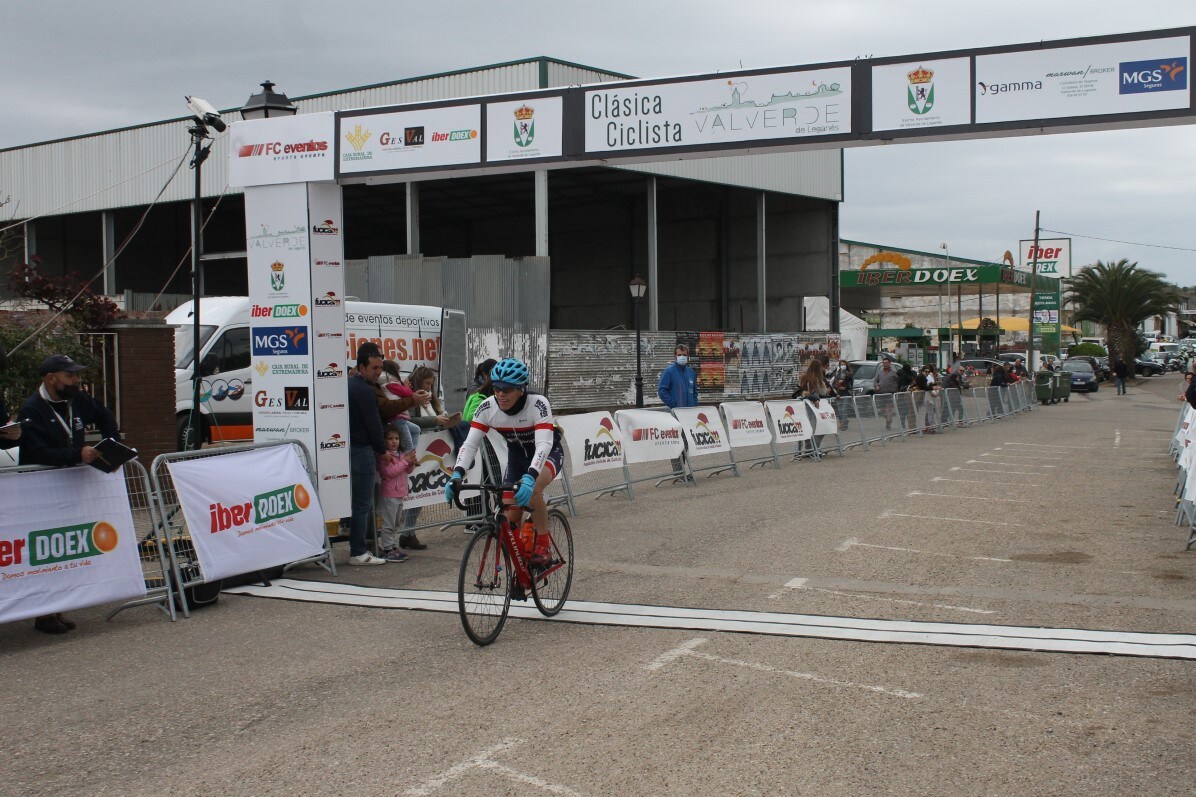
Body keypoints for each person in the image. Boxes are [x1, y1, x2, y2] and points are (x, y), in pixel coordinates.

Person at [446, 358, 565, 600]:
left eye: (507, 389)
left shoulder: (537, 404)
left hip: (547, 454)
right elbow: (470, 444)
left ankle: (542, 543)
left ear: (521, 389)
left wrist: (531, 477)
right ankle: (522, 569)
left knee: (531, 491)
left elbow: (543, 444)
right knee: (509, 520)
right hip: (517, 458)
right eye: (497, 387)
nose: (501, 393)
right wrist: (457, 473)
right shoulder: (486, 407)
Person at [18, 354, 119, 634]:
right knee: (46, 550)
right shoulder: (32, 409)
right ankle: (45, 612)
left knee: (67, 547)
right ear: (51, 378)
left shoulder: (78, 400)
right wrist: (76, 454)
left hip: (72, 486)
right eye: (70, 375)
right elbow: (36, 452)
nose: (76, 380)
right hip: (42, 489)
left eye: (77, 375)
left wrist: (111, 444)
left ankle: (60, 605)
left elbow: (104, 414)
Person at [346, 346, 390, 566]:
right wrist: (382, 451)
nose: (378, 372)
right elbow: (373, 424)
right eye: (374, 367)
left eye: (381, 367)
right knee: (362, 503)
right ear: (361, 366)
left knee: (358, 503)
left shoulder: (350, 385)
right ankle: (358, 550)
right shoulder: (364, 390)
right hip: (362, 450)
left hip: (350, 449)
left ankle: (360, 547)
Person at [376, 425, 417, 563]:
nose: (394, 441)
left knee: (396, 523)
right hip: (389, 494)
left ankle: (393, 546)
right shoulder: (385, 457)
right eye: (390, 439)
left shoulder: (400, 455)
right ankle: (387, 549)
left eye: (397, 438)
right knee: (388, 523)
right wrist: (406, 462)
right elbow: (389, 472)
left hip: (400, 493)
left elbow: (407, 471)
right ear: (384, 441)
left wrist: (410, 463)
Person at [658, 344, 698, 409]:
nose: (682, 357)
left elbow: (694, 391)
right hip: (676, 411)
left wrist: (694, 404)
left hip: (691, 411)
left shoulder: (691, 372)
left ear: (687, 356)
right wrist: (673, 404)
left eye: (684, 355)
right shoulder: (669, 371)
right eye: (679, 355)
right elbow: (662, 391)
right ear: (675, 356)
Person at [874, 358, 899, 431]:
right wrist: (876, 386)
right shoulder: (880, 372)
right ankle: (888, 420)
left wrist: (896, 391)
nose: (885, 364)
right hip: (881, 393)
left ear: (889, 363)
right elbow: (875, 381)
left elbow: (897, 382)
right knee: (881, 411)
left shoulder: (894, 373)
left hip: (890, 393)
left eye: (886, 363)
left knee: (889, 409)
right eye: (884, 363)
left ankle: (888, 424)